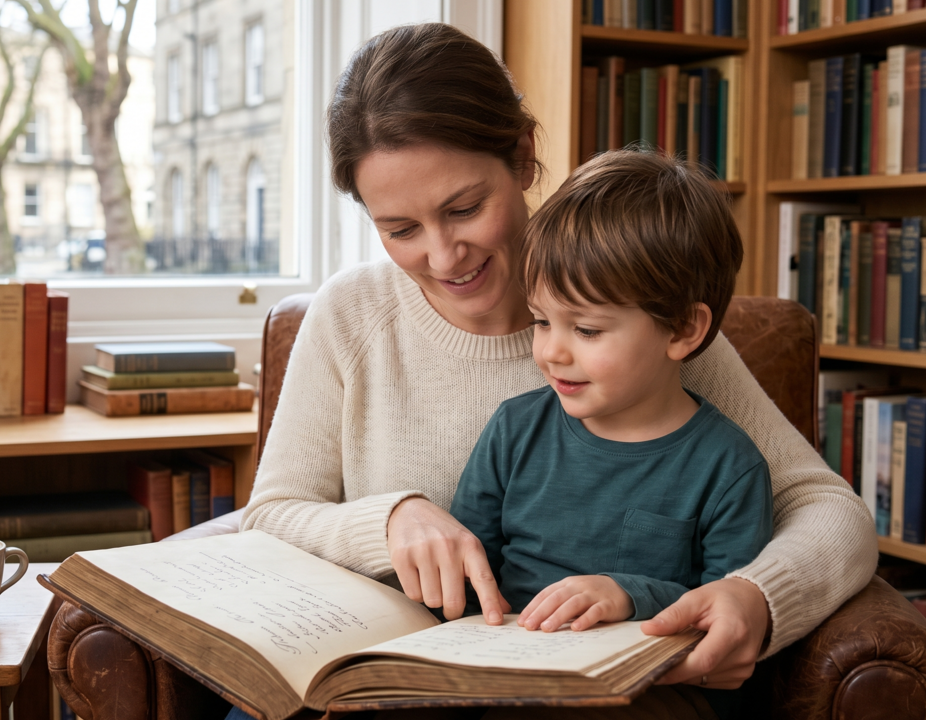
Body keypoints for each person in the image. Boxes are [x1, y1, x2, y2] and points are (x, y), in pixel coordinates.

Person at [233, 22, 876, 719]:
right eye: (401, 229)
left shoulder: (636, 308)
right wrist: (388, 519)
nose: (445, 257)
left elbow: (830, 511)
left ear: (524, 158)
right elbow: (269, 515)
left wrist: (758, 595)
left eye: (465, 208)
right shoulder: (351, 316)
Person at [448, 150, 772, 718]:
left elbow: (724, 615)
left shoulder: (729, 467)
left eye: (588, 329)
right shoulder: (514, 430)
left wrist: (627, 595)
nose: (552, 351)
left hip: (647, 692)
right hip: (506, 674)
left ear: (683, 329)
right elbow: (470, 572)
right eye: (542, 320)